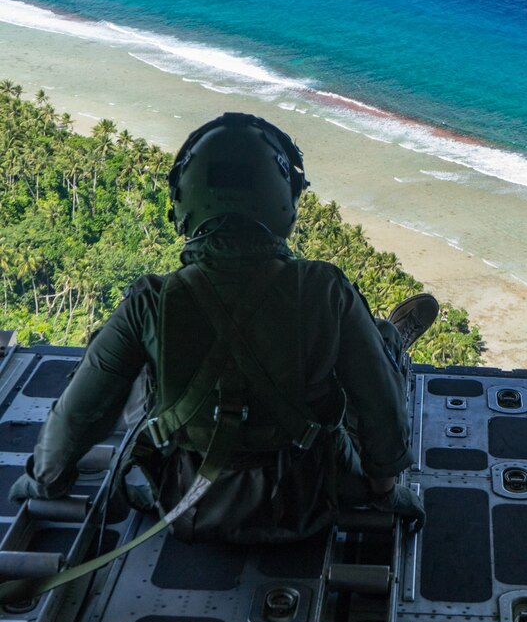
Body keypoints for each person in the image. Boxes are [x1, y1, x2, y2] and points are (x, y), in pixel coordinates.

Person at [8, 112, 434, 543]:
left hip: (186, 503)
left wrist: (46, 481)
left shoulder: (151, 301)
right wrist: (382, 492)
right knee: (376, 348)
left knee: (114, 351)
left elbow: (80, 412)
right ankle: (392, 341)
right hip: (308, 499)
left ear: (184, 202)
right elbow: (382, 408)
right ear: (283, 202)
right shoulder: (324, 289)